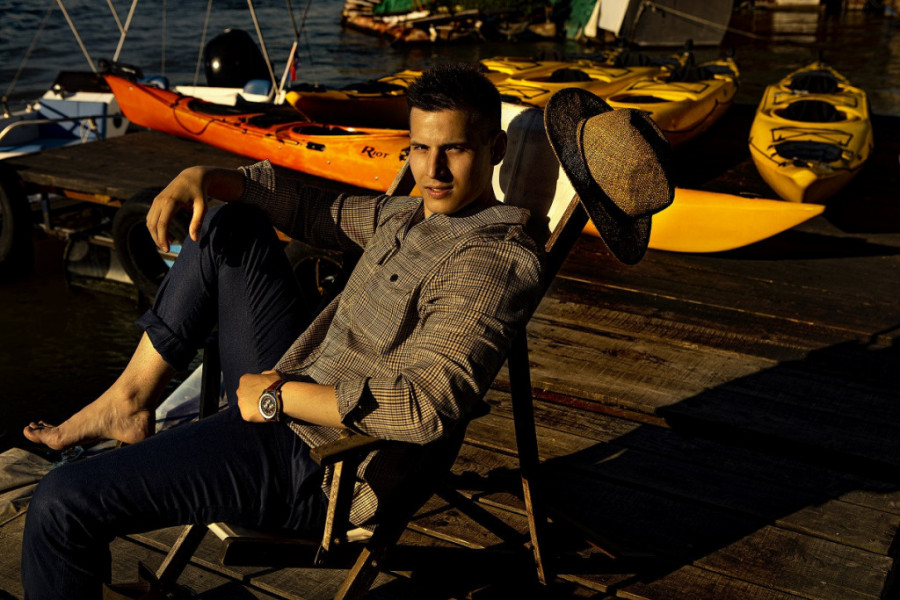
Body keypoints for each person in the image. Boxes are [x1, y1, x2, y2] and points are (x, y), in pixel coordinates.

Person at [20, 63, 544, 600]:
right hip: (290, 390)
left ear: (496, 148)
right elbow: (315, 209)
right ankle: (130, 400)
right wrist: (209, 176)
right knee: (231, 223)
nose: (433, 169)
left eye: (454, 149)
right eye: (419, 148)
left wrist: (276, 397)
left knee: (62, 503)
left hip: (321, 464)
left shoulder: (491, 260)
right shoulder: (412, 215)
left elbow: (425, 406)